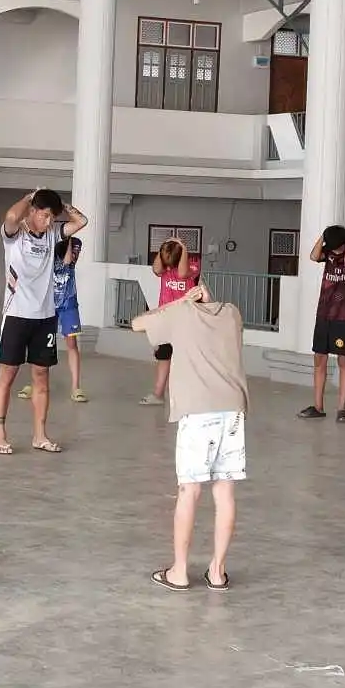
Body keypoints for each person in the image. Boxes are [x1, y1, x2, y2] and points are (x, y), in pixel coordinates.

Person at [133, 284, 247, 592]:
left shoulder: (181, 314)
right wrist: (206, 303)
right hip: (232, 410)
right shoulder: (232, 314)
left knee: (189, 490)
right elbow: (214, 322)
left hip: (198, 412)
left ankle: (179, 571)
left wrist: (179, 302)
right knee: (225, 490)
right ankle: (218, 572)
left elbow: (137, 323)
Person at [0, 188, 86, 455]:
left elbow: (81, 221)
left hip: (45, 317)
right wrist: (30, 197)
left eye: (52, 217)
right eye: (44, 215)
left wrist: (60, 205)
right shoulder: (14, 234)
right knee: (8, 375)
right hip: (16, 315)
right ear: (32, 211)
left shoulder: (53, 232)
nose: (48, 221)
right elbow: (11, 216)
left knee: (42, 376)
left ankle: (40, 435)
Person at [300, 225, 345, 423]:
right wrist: (323, 236)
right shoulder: (328, 252)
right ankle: (318, 407)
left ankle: (342, 409)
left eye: (336, 246)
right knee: (319, 360)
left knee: (343, 361)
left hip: (343, 315)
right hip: (324, 314)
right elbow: (313, 256)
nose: (333, 250)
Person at [19, 237, 88, 404]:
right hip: (48, 305)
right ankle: (35, 384)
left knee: (72, 344)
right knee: (41, 346)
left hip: (68, 305)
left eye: (78, 251)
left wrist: (70, 237)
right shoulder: (50, 258)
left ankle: (76, 387)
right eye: (74, 250)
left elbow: (68, 261)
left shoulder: (70, 260)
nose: (76, 254)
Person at [143, 237, 201, 407]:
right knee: (164, 356)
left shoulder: (193, 265)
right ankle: (158, 394)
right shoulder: (165, 269)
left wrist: (183, 247)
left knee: (185, 359)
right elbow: (156, 269)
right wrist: (162, 248)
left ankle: (186, 395)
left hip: (186, 321)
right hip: (166, 320)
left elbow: (182, 274)